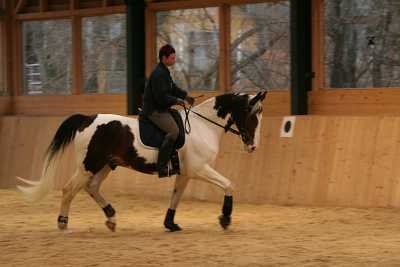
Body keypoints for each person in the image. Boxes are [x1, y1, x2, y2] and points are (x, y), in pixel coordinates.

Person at [143, 44, 194, 178]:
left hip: (162, 107)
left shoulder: (164, 71)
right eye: (172, 58)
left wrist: (185, 96)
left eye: (174, 57)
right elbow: (161, 98)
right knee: (174, 131)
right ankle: (161, 166)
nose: (174, 60)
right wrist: (177, 101)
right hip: (154, 110)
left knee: (177, 117)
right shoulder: (158, 74)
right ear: (164, 58)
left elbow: (172, 88)